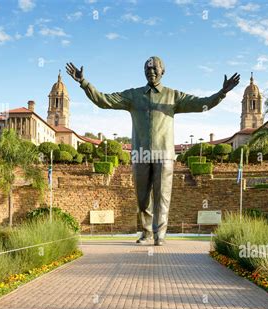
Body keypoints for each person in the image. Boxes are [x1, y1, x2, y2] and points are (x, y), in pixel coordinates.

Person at [66, 56, 240, 246]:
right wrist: (84, 82)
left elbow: (202, 104)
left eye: (155, 69)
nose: (152, 72)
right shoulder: (133, 95)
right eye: (148, 69)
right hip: (140, 154)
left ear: (162, 72)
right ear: (144, 72)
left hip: (164, 155)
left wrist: (222, 92)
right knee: (142, 198)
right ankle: (147, 232)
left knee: (162, 197)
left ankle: (160, 235)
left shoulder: (173, 96)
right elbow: (104, 101)